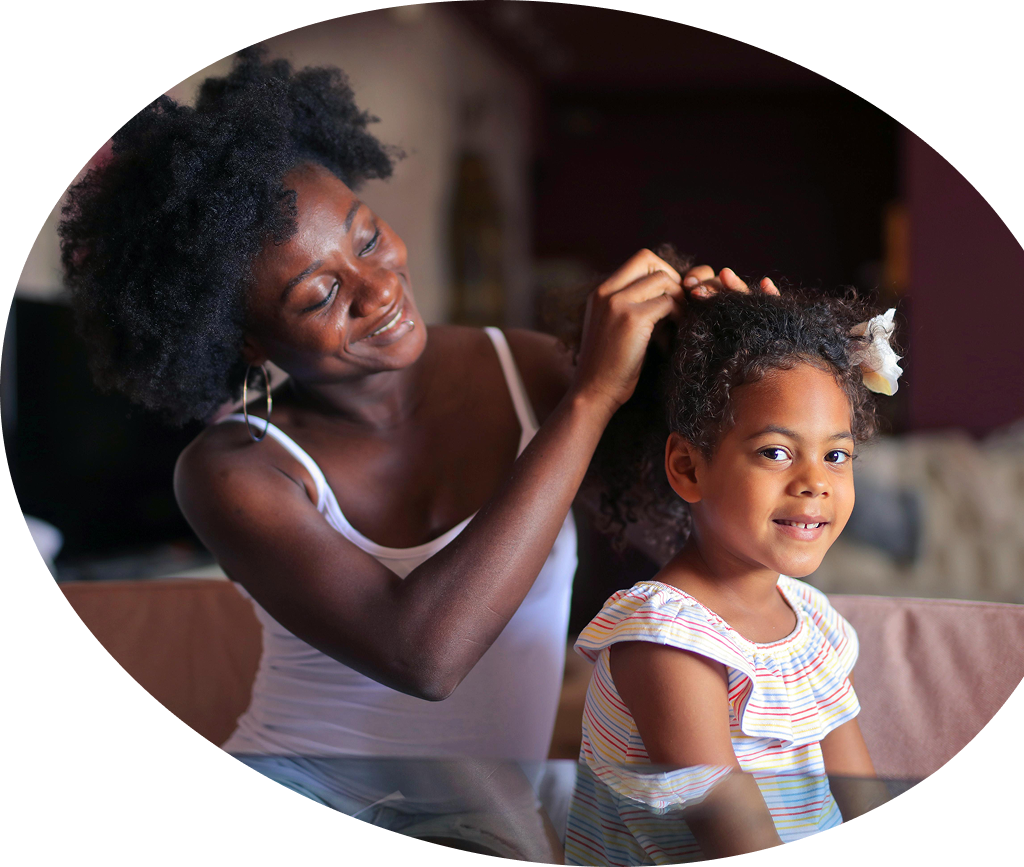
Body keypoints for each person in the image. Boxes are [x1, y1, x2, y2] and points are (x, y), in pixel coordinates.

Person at [56, 46, 772, 856]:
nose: (379, 287)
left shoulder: (526, 371)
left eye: (366, 238)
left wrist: (733, 370)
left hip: (495, 810)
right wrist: (591, 399)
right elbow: (425, 655)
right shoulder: (235, 469)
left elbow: (713, 519)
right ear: (248, 340)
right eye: (320, 293)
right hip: (314, 784)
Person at [564, 282, 902, 865]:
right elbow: (730, 824)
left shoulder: (811, 618)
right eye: (775, 452)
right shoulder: (667, 638)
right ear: (688, 468)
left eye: (836, 455)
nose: (815, 482)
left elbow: (858, 790)